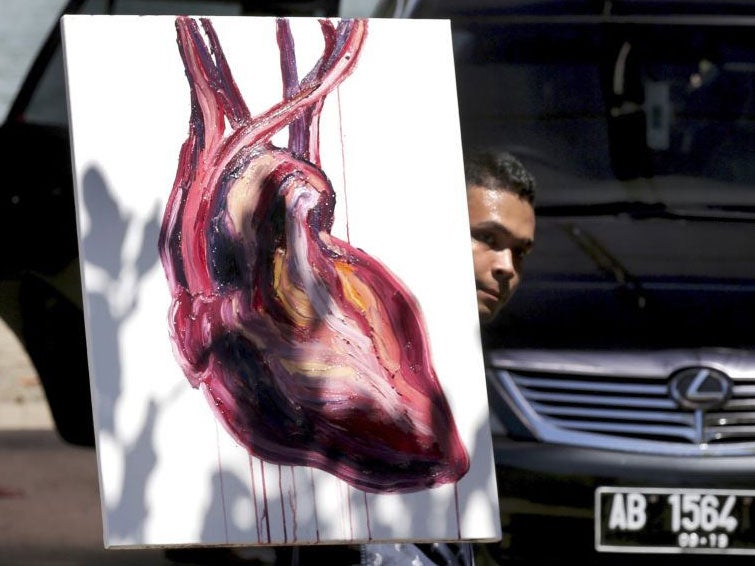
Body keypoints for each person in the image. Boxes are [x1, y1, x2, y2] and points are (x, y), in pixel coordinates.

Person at [359, 150, 537, 566]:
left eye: (521, 252)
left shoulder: (468, 361)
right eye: (488, 239)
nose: (506, 266)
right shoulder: (370, 340)